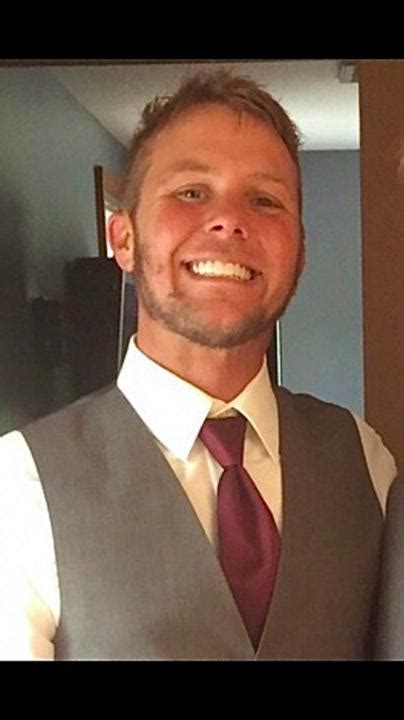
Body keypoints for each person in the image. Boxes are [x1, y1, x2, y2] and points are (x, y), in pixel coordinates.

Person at [0, 70, 397, 660]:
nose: (229, 220)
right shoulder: (18, 487)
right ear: (124, 239)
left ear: (300, 254)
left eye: (265, 200)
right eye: (191, 192)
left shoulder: (366, 461)